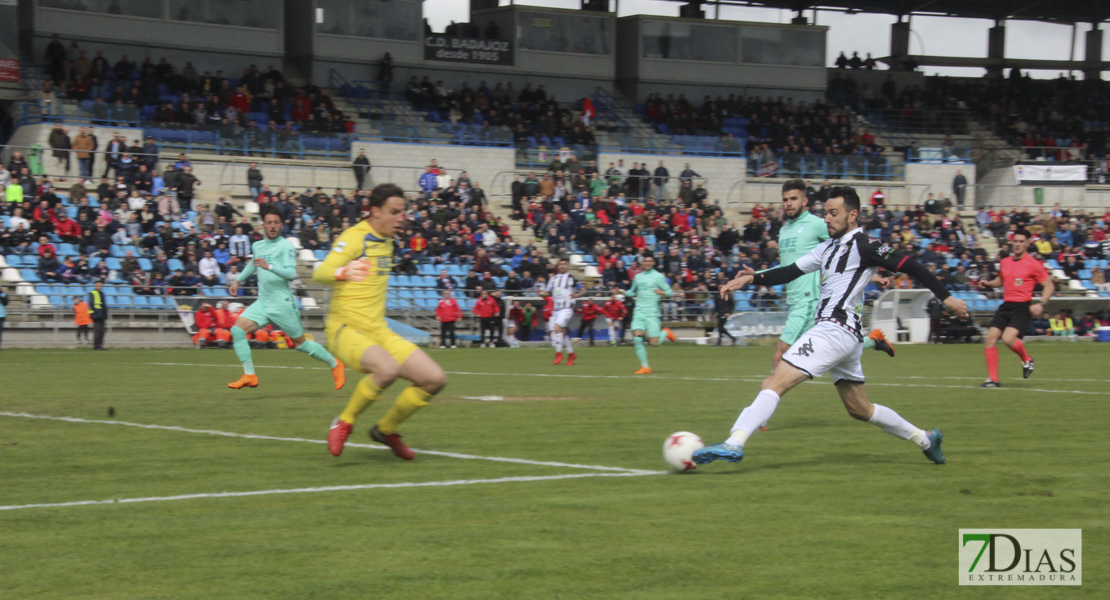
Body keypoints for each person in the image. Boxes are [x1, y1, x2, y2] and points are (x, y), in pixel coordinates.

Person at [694, 186, 969, 467]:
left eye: (833, 213)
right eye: (825, 213)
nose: (827, 218)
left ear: (852, 215)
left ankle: (734, 442)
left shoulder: (865, 245)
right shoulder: (827, 248)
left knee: (774, 382)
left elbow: (912, 266)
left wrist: (946, 298)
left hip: (833, 330)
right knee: (860, 409)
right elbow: (790, 271)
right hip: (846, 335)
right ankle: (926, 439)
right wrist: (750, 279)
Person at [315, 183, 449, 460]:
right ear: (374, 212)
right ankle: (345, 421)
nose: (402, 218)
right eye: (394, 212)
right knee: (386, 369)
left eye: (404, 212)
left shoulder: (387, 240)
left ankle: (386, 430)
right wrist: (343, 271)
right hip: (345, 329)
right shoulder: (355, 237)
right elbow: (321, 272)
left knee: (435, 379)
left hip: (378, 330)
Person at [226, 207, 346, 390]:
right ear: (263, 225)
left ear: (281, 225)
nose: (272, 226)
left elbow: (291, 274)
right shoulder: (257, 246)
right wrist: (238, 280)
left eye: (276, 222)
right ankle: (249, 375)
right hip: (263, 303)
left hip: (282, 305)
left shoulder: (286, 246)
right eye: (269, 222)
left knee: (301, 344)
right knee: (237, 331)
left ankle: (335, 364)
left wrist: (269, 266)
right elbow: (253, 263)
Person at [976, 229, 1054, 387]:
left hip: (1022, 306)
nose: (1017, 244)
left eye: (1021, 242)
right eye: (1015, 241)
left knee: (1007, 338)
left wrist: (1041, 303)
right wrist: (990, 284)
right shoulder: (1005, 261)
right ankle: (993, 380)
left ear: (1027, 244)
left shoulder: (1033, 264)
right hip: (1006, 306)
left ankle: (1026, 359)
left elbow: (1049, 285)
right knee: (990, 338)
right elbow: (1001, 279)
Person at [626, 254, 675, 374]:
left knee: (655, 343)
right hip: (639, 311)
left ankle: (665, 332)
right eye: (645, 261)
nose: (647, 263)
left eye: (650, 261)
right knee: (637, 338)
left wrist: (662, 292)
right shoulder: (637, 277)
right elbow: (632, 292)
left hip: (652, 312)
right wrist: (623, 292)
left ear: (653, 263)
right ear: (642, 263)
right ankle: (645, 367)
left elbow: (670, 292)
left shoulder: (658, 276)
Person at [540, 258, 579, 366]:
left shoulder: (572, 278)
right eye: (560, 264)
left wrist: (577, 295)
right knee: (563, 332)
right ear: (557, 266)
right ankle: (571, 354)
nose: (562, 266)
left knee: (557, 327)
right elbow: (547, 292)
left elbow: (584, 289)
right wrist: (541, 293)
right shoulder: (553, 279)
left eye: (564, 264)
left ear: (568, 266)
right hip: (556, 309)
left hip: (567, 308)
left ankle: (558, 353)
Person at [89, 280, 108, 350]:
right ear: (95, 286)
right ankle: (96, 345)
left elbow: (103, 305)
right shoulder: (92, 293)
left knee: (102, 331)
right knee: (97, 331)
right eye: (98, 286)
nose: (99, 287)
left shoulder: (102, 294)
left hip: (102, 315)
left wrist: (105, 314)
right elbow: (91, 304)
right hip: (96, 315)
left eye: (101, 286)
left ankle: (100, 345)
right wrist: (93, 313)